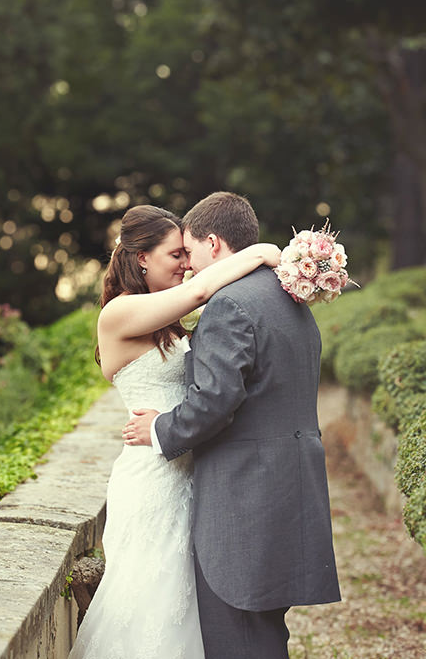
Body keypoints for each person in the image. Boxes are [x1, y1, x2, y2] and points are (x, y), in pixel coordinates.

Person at [123, 192, 341, 659]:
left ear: (214, 243)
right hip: (290, 489)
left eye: (190, 252)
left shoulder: (230, 304)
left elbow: (215, 403)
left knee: (235, 640)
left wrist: (161, 428)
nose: (188, 267)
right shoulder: (291, 299)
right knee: (263, 635)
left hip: (244, 501)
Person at [68, 203, 280, 659]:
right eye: (175, 255)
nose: (186, 264)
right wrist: (264, 251)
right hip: (153, 478)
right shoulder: (119, 314)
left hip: (190, 471)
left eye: (188, 254)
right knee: (153, 602)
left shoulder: (164, 319)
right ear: (141, 257)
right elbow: (202, 289)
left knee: (195, 607)